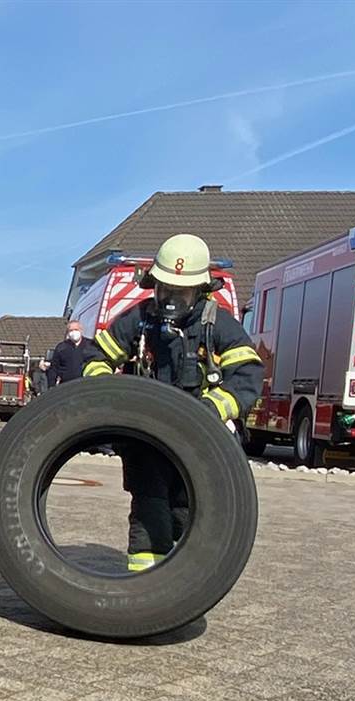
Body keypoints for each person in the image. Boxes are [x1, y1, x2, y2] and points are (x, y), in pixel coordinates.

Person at [82, 234, 264, 571]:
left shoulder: (218, 324)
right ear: (154, 284)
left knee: (188, 510)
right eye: (165, 288)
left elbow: (248, 375)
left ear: (200, 290)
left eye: (180, 291)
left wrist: (211, 409)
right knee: (149, 510)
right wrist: (109, 393)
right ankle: (145, 586)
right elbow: (94, 356)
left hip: (198, 439)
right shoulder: (139, 319)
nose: (171, 297)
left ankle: (181, 588)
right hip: (146, 439)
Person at [49, 321, 86, 386]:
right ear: (68, 333)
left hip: (85, 385)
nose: (74, 332)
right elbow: (54, 369)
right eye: (71, 330)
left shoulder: (90, 345)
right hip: (67, 386)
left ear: (81, 330)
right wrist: (51, 386)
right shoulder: (61, 347)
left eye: (76, 329)